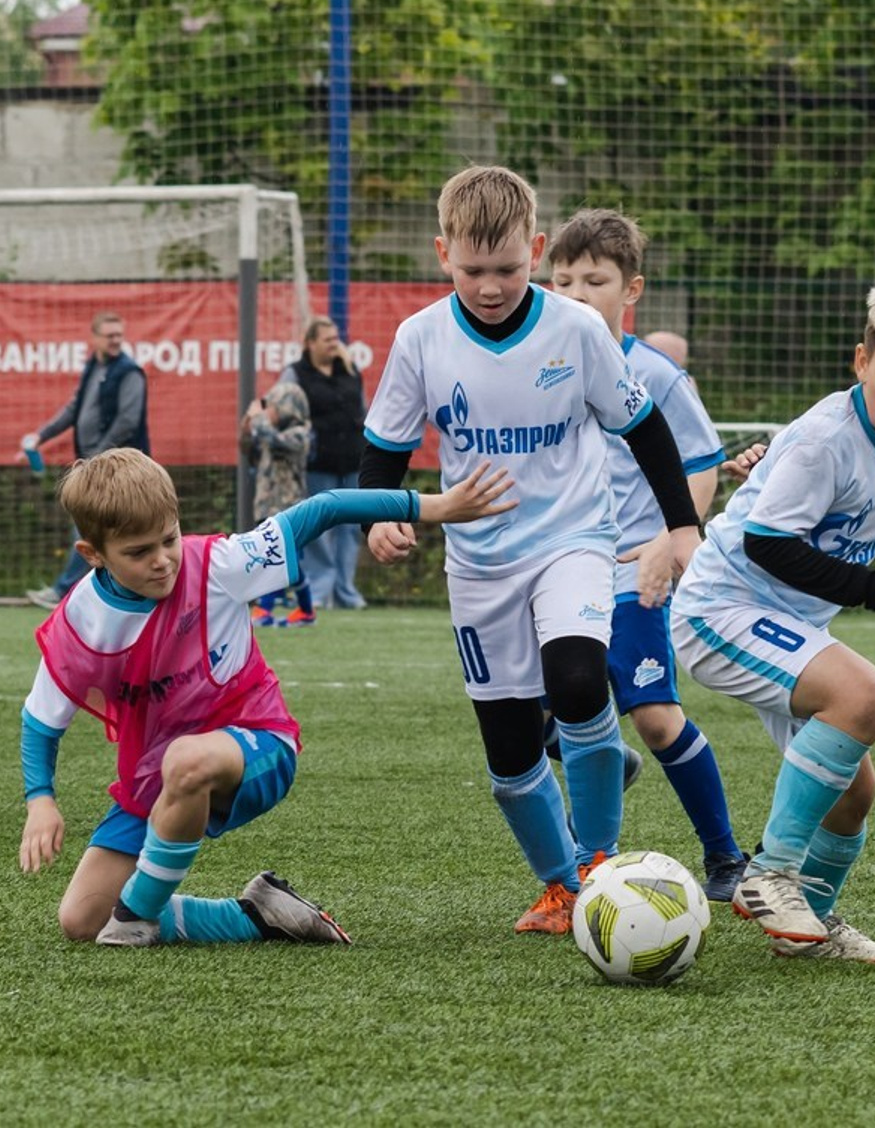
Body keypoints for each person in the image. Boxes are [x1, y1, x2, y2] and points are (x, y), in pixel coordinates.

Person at [359, 165, 702, 936]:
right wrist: (378, 519)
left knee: (578, 682)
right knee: (511, 748)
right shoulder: (420, 339)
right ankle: (559, 889)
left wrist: (682, 525)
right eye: (472, 270)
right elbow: (383, 451)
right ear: (442, 254)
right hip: (479, 562)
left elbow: (643, 426)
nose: (489, 286)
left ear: (537, 251)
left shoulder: (576, 330)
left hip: (572, 539)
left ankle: (598, 862)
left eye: (508, 268)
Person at [18, 447, 515, 947]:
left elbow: (325, 508)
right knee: (81, 920)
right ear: (93, 554)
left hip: (258, 744)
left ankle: (135, 918)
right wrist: (40, 801)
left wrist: (436, 506)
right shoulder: (80, 619)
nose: (163, 560)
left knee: (185, 761)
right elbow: (41, 721)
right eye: (138, 552)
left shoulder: (222, 565)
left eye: (169, 538)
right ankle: (260, 915)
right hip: (157, 774)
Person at [670, 259, 875, 963]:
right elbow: (767, 543)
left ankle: (812, 927)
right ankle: (769, 874)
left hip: (787, 622)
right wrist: (873, 587)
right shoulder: (826, 437)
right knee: (865, 696)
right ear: (861, 361)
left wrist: (770, 466)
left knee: (852, 794)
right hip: (723, 608)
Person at [546, 208, 748, 902]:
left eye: (594, 280)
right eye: (563, 280)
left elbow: (702, 463)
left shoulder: (655, 373)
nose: (576, 294)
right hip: (552, 571)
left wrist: (671, 537)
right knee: (526, 716)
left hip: (631, 574)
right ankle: (606, 759)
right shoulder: (540, 364)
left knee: (657, 718)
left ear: (630, 290)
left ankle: (725, 856)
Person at [21, 310, 149, 610]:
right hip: (96, 464)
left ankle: (66, 590)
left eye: (119, 335)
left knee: (95, 526)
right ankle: (94, 591)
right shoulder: (94, 366)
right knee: (99, 527)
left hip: (119, 468)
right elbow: (74, 408)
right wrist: (41, 435)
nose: (116, 340)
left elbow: (127, 422)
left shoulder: (129, 372)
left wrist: (97, 458)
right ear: (95, 338)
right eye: (110, 335)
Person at [280, 316, 368, 610]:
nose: (334, 344)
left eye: (335, 338)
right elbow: (284, 413)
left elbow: (363, 408)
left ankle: (345, 591)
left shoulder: (350, 369)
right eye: (327, 339)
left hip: (352, 461)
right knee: (318, 529)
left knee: (351, 528)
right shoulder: (295, 374)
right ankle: (319, 591)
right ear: (310, 343)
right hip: (316, 464)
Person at [239, 380, 317, 627]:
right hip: (267, 506)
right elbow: (249, 450)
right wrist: (246, 428)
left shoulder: (300, 434)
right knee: (282, 560)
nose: (268, 411)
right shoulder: (267, 430)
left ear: (287, 408)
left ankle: (265, 609)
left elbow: (275, 441)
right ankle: (305, 610)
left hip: (289, 508)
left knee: (276, 558)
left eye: (273, 406)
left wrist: (259, 418)